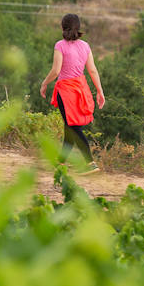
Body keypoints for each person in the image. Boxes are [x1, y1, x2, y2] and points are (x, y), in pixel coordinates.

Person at [38, 13, 105, 172]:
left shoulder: (60, 45)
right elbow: (93, 71)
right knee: (70, 127)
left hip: (66, 92)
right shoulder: (85, 46)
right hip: (80, 89)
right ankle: (60, 162)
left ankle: (90, 163)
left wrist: (44, 83)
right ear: (78, 27)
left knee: (73, 128)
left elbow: (55, 71)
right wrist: (100, 91)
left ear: (63, 27)